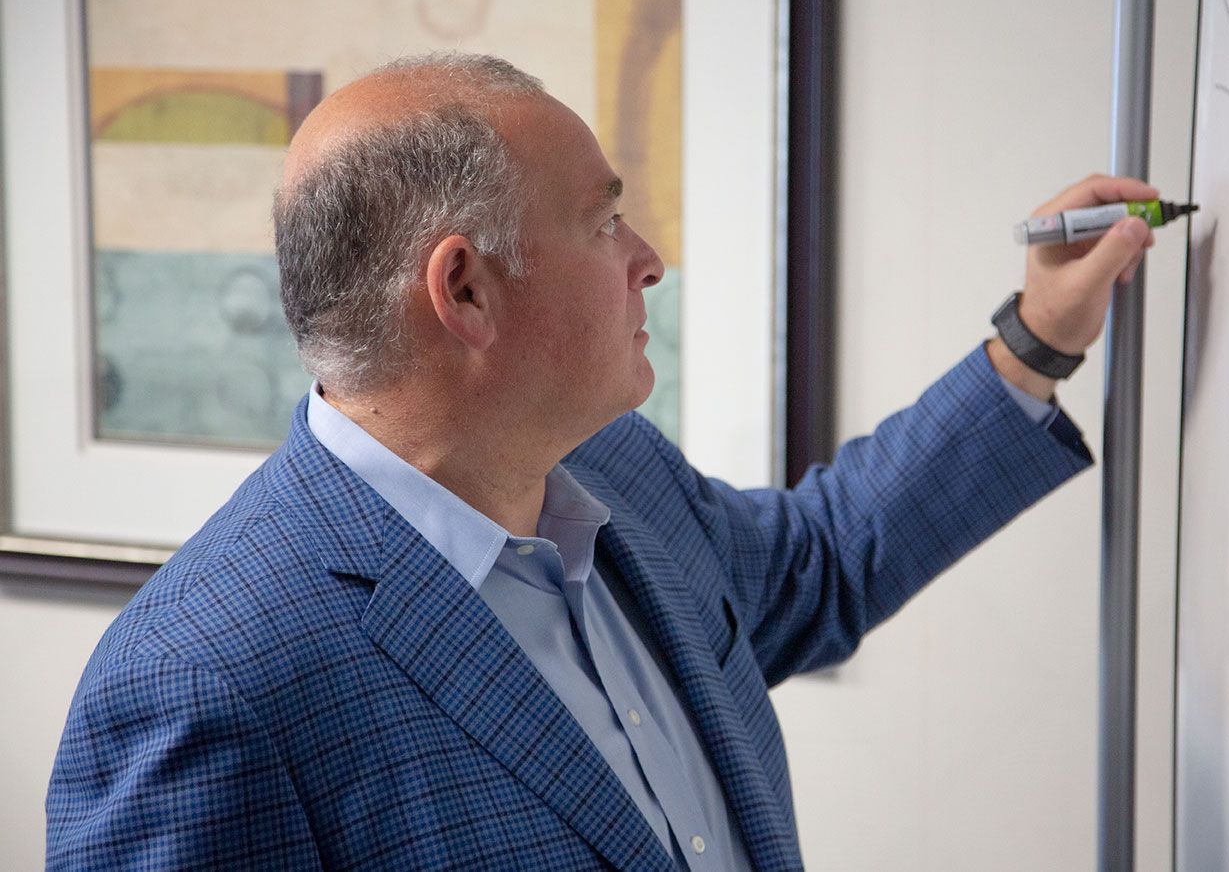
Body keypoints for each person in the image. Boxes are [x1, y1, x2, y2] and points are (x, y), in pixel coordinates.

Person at [46, 53, 1158, 871]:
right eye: (603, 220)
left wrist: (1034, 338)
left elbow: (817, 567)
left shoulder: (616, 472)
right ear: (465, 289)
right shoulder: (206, 686)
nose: (648, 259)